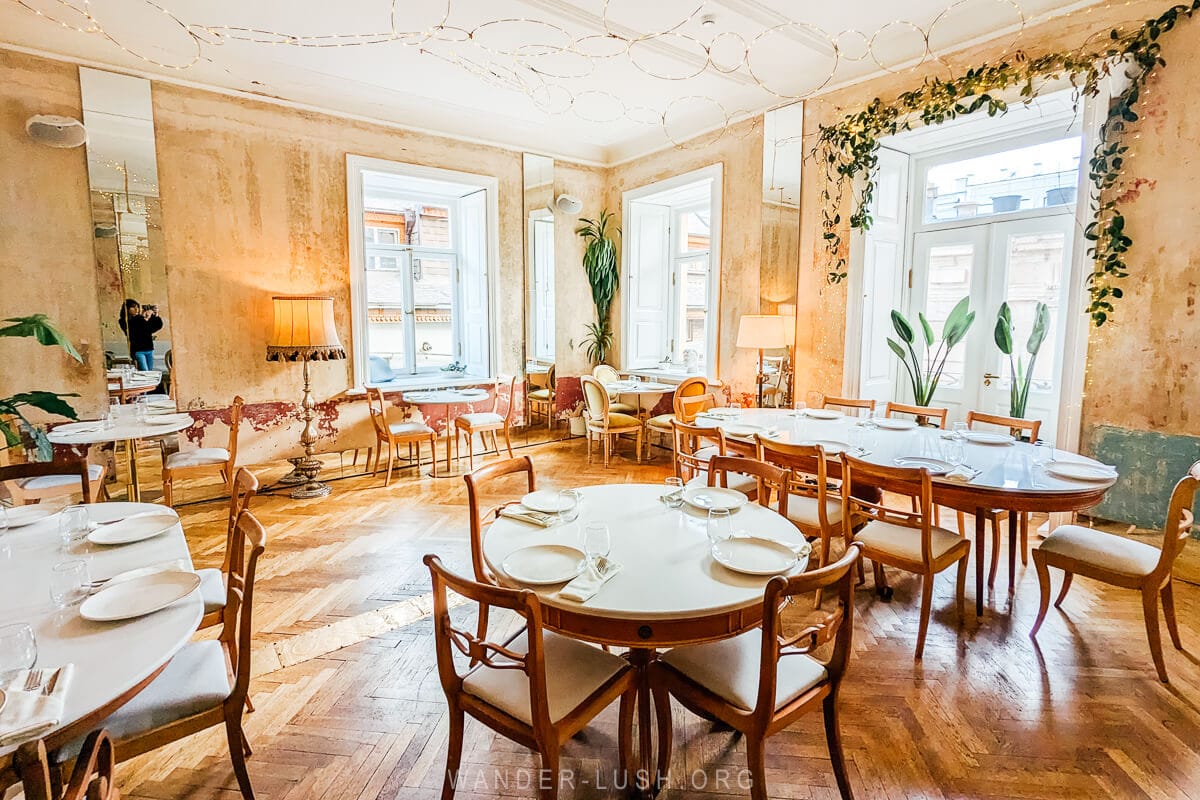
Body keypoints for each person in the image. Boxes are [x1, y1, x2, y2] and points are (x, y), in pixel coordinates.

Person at [119, 298, 163, 371]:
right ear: (127, 309)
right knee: (144, 372)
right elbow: (133, 331)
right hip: (138, 350)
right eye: (133, 307)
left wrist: (156, 315)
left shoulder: (141, 318)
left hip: (149, 349)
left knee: (149, 372)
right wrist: (144, 318)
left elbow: (154, 327)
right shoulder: (124, 321)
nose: (136, 309)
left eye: (137, 307)